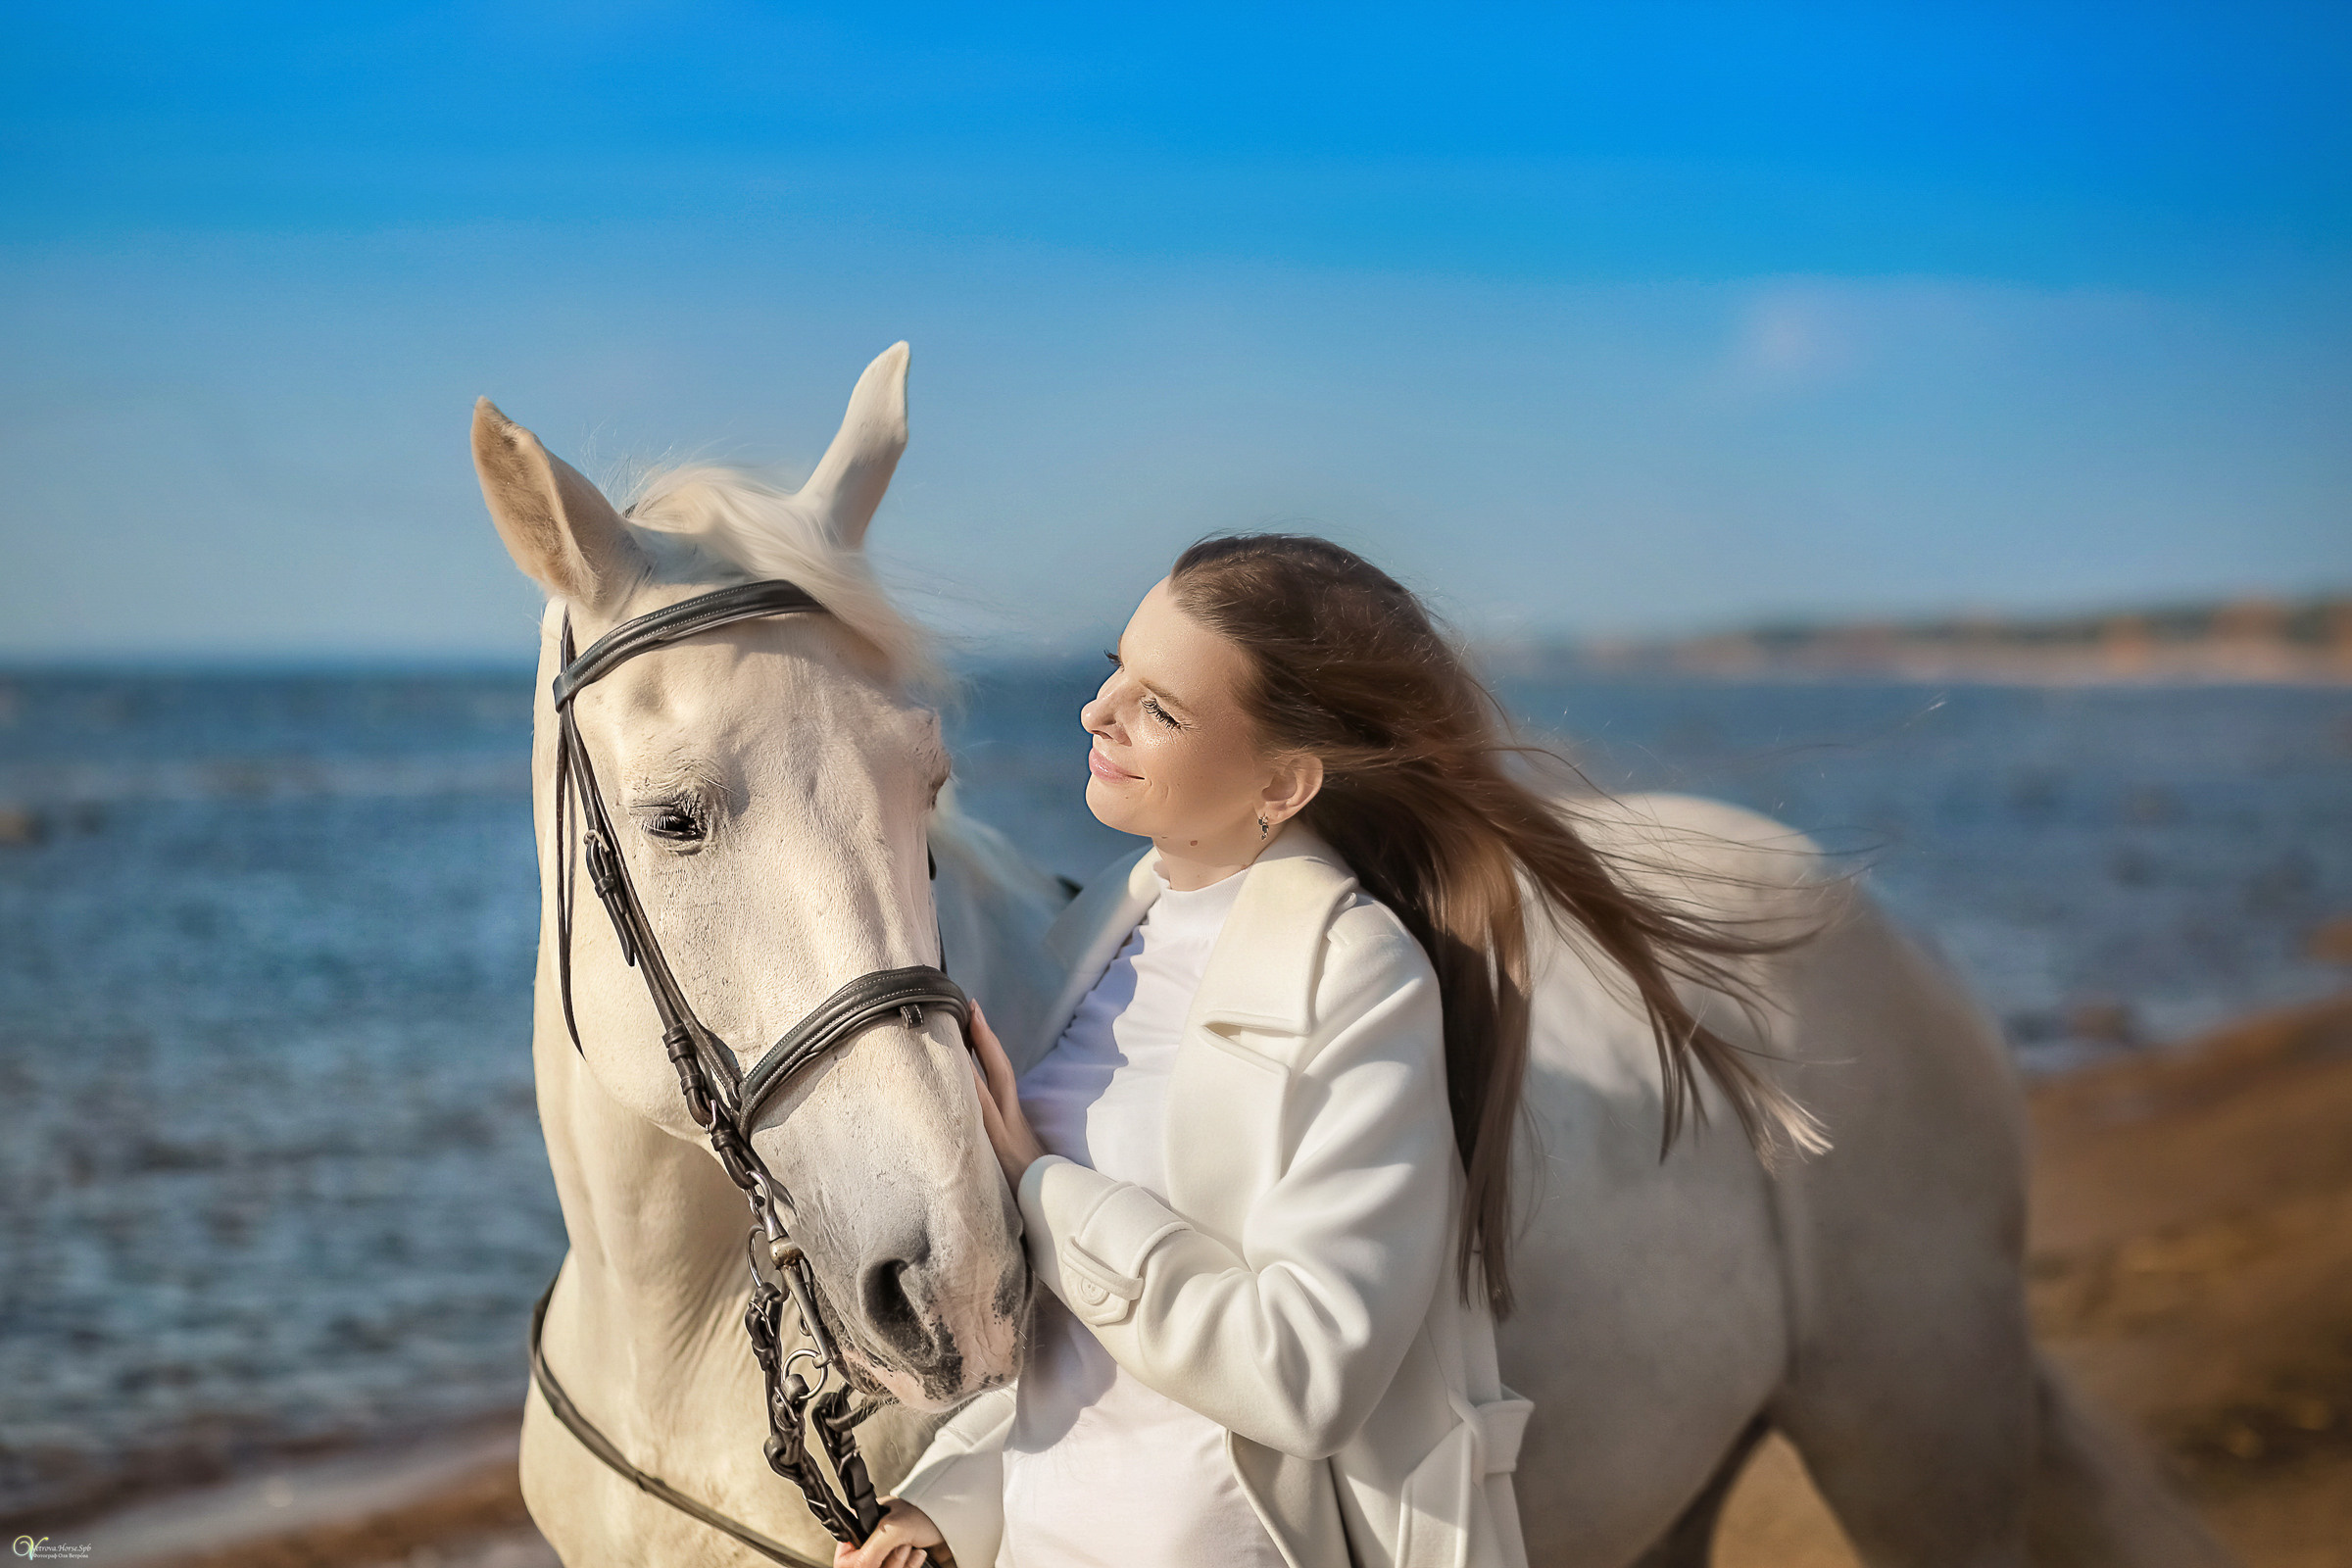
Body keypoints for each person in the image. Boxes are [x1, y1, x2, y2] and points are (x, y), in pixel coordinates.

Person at [839, 535, 1811, 1568]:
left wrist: (1043, 1185)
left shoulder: (1358, 978)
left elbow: (1304, 1373)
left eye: (1160, 708)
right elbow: (1089, 1355)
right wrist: (947, 1499)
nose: (1098, 712)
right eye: (1114, 668)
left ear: (1284, 781)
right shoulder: (1104, 938)